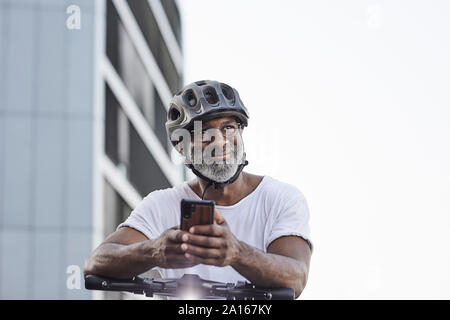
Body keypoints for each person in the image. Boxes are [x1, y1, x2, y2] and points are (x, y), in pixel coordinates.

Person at [84, 80, 312, 298]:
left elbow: (296, 277)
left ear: (241, 132)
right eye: (204, 133)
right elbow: (96, 262)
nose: (220, 142)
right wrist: (154, 251)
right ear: (182, 148)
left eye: (228, 128)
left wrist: (237, 254)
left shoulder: (281, 198)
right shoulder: (161, 204)